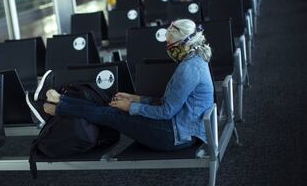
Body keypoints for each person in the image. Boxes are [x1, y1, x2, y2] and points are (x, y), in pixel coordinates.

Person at [29, 19, 214, 152]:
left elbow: (166, 111)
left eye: (170, 44)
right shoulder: (194, 61)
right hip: (180, 129)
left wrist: (131, 107)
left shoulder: (189, 69)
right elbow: (169, 103)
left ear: (183, 44)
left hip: (174, 136)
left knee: (111, 113)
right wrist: (136, 99)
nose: (168, 48)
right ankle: (61, 101)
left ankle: (57, 107)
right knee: (110, 107)